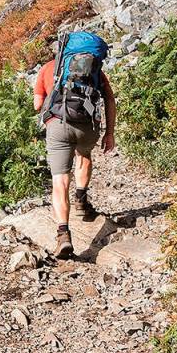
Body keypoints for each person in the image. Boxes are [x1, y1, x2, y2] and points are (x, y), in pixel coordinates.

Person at [33, 44, 116, 259]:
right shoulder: (94, 70)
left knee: (60, 180)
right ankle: (81, 200)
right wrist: (110, 133)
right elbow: (109, 99)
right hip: (86, 126)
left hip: (58, 125)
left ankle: (63, 234)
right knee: (84, 155)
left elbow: (37, 105)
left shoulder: (47, 69)